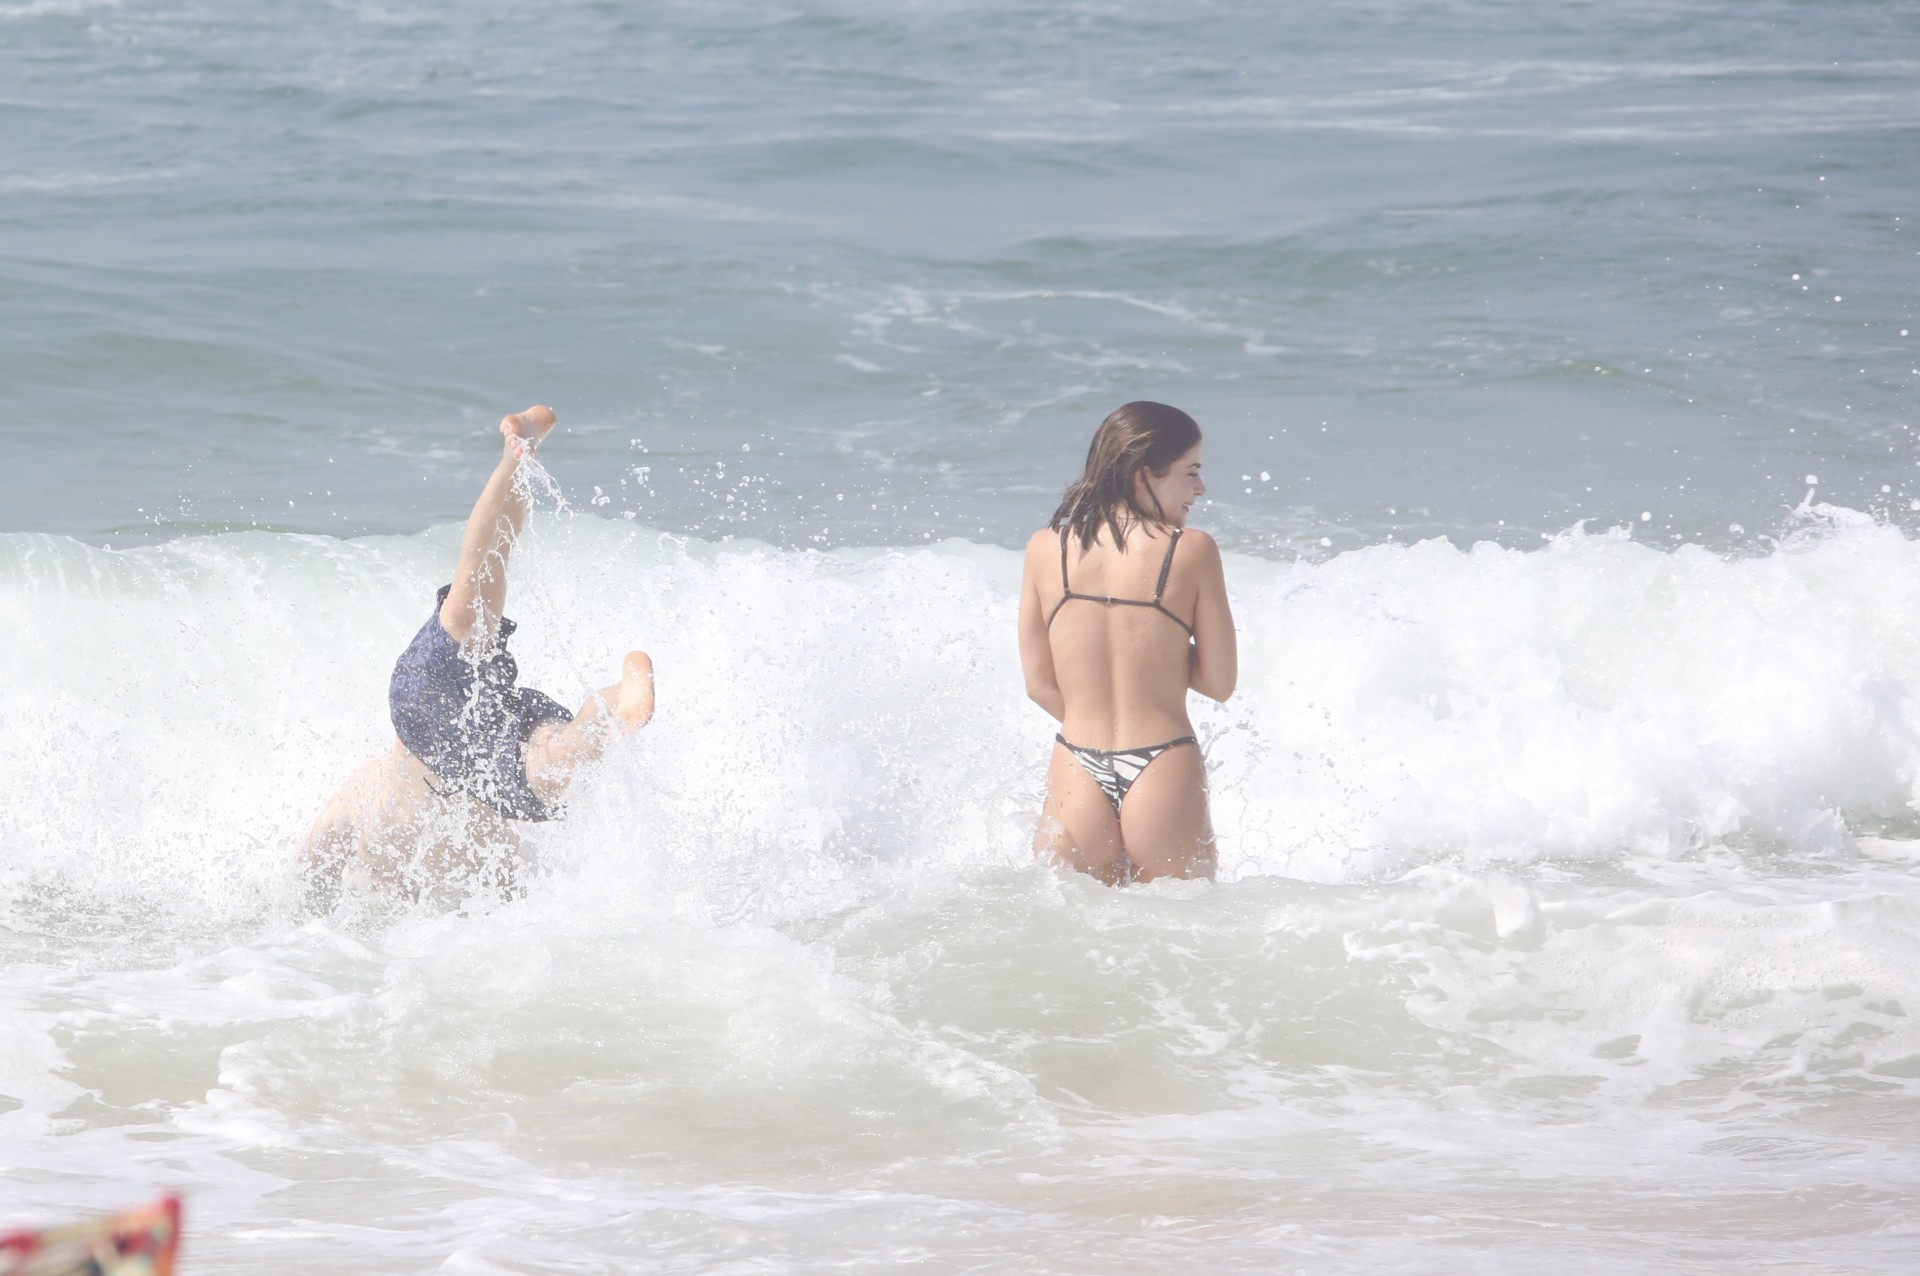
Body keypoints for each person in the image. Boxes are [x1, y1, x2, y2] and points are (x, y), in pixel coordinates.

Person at [300, 405, 655, 908]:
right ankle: (619, 697)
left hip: (432, 720)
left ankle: (516, 457)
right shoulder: (484, 845)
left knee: (478, 590)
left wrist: (293, 916)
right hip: (483, 755)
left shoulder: (364, 800)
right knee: (554, 759)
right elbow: (511, 894)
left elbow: (309, 871)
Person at [1017, 401, 1237, 884]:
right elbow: (1219, 682)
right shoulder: (1191, 549)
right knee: (1182, 923)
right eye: (1190, 472)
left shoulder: (1044, 547)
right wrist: (1159, 649)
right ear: (1143, 476)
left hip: (1075, 763)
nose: (1200, 489)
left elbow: (1039, 684)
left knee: (1073, 924)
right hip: (1162, 760)